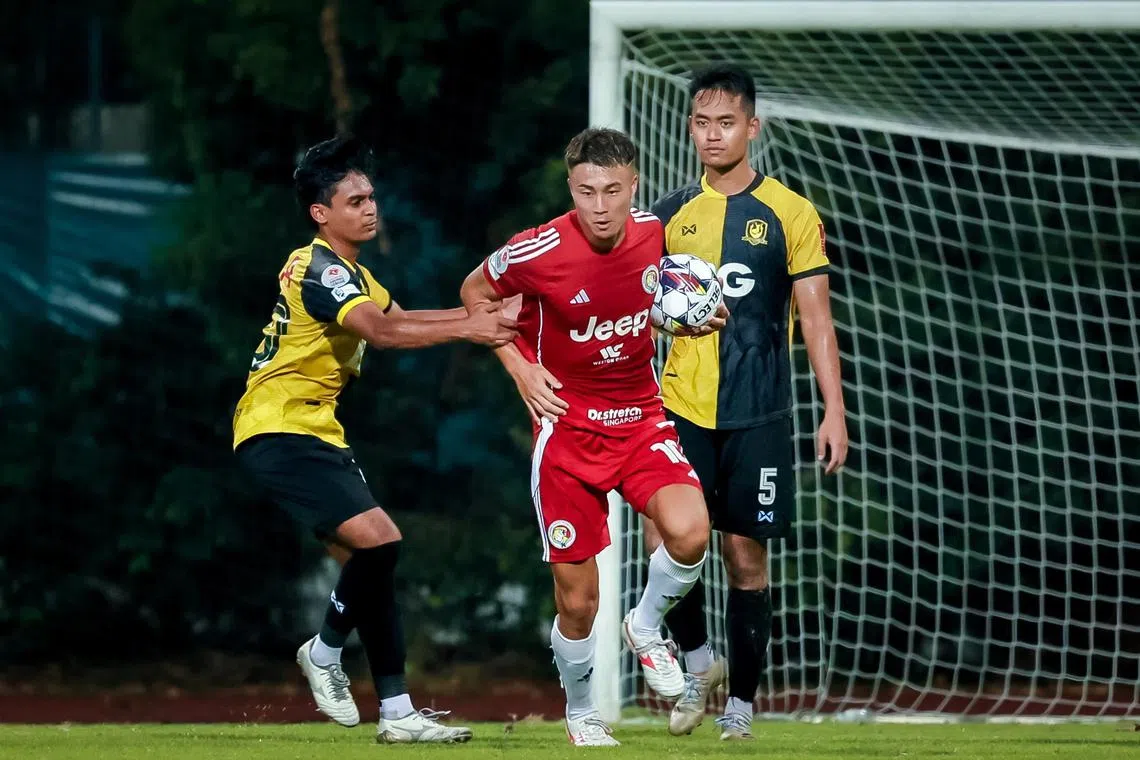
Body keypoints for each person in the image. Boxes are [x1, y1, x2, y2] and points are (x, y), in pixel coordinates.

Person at [232, 136, 516, 744]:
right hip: (279, 425)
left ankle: (397, 714)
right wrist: (471, 329)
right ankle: (325, 651)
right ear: (321, 214)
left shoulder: (353, 273)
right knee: (381, 542)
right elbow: (381, 334)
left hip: (315, 431)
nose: (369, 208)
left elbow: (403, 316)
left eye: (371, 197)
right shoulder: (318, 266)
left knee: (373, 566)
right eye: (355, 199)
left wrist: (490, 315)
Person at [460, 127, 725, 747]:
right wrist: (522, 368)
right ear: (570, 189)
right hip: (567, 433)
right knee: (578, 603)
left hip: (639, 417)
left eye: (612, 191)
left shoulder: (653, 235)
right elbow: (474, 296)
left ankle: (647, 623)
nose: (600, 207)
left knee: (690, 530)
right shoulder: (537, 250)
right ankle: (581, 710)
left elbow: (643, 305)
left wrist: (685, 316)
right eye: (586, 192)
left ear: (633, 186)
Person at [645, 64, 849, 740]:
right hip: (680, 406)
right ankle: (700, 664)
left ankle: (741, 708)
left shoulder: (790, 213)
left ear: (752, 128)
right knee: (668, 540)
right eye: (701, 122)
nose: (712, 134)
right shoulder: (668, 215)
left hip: (757, 409)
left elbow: (816, 318)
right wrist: (666, 320)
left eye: (725, 122)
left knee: (744, 559)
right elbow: (639, 304)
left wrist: (834, 409)